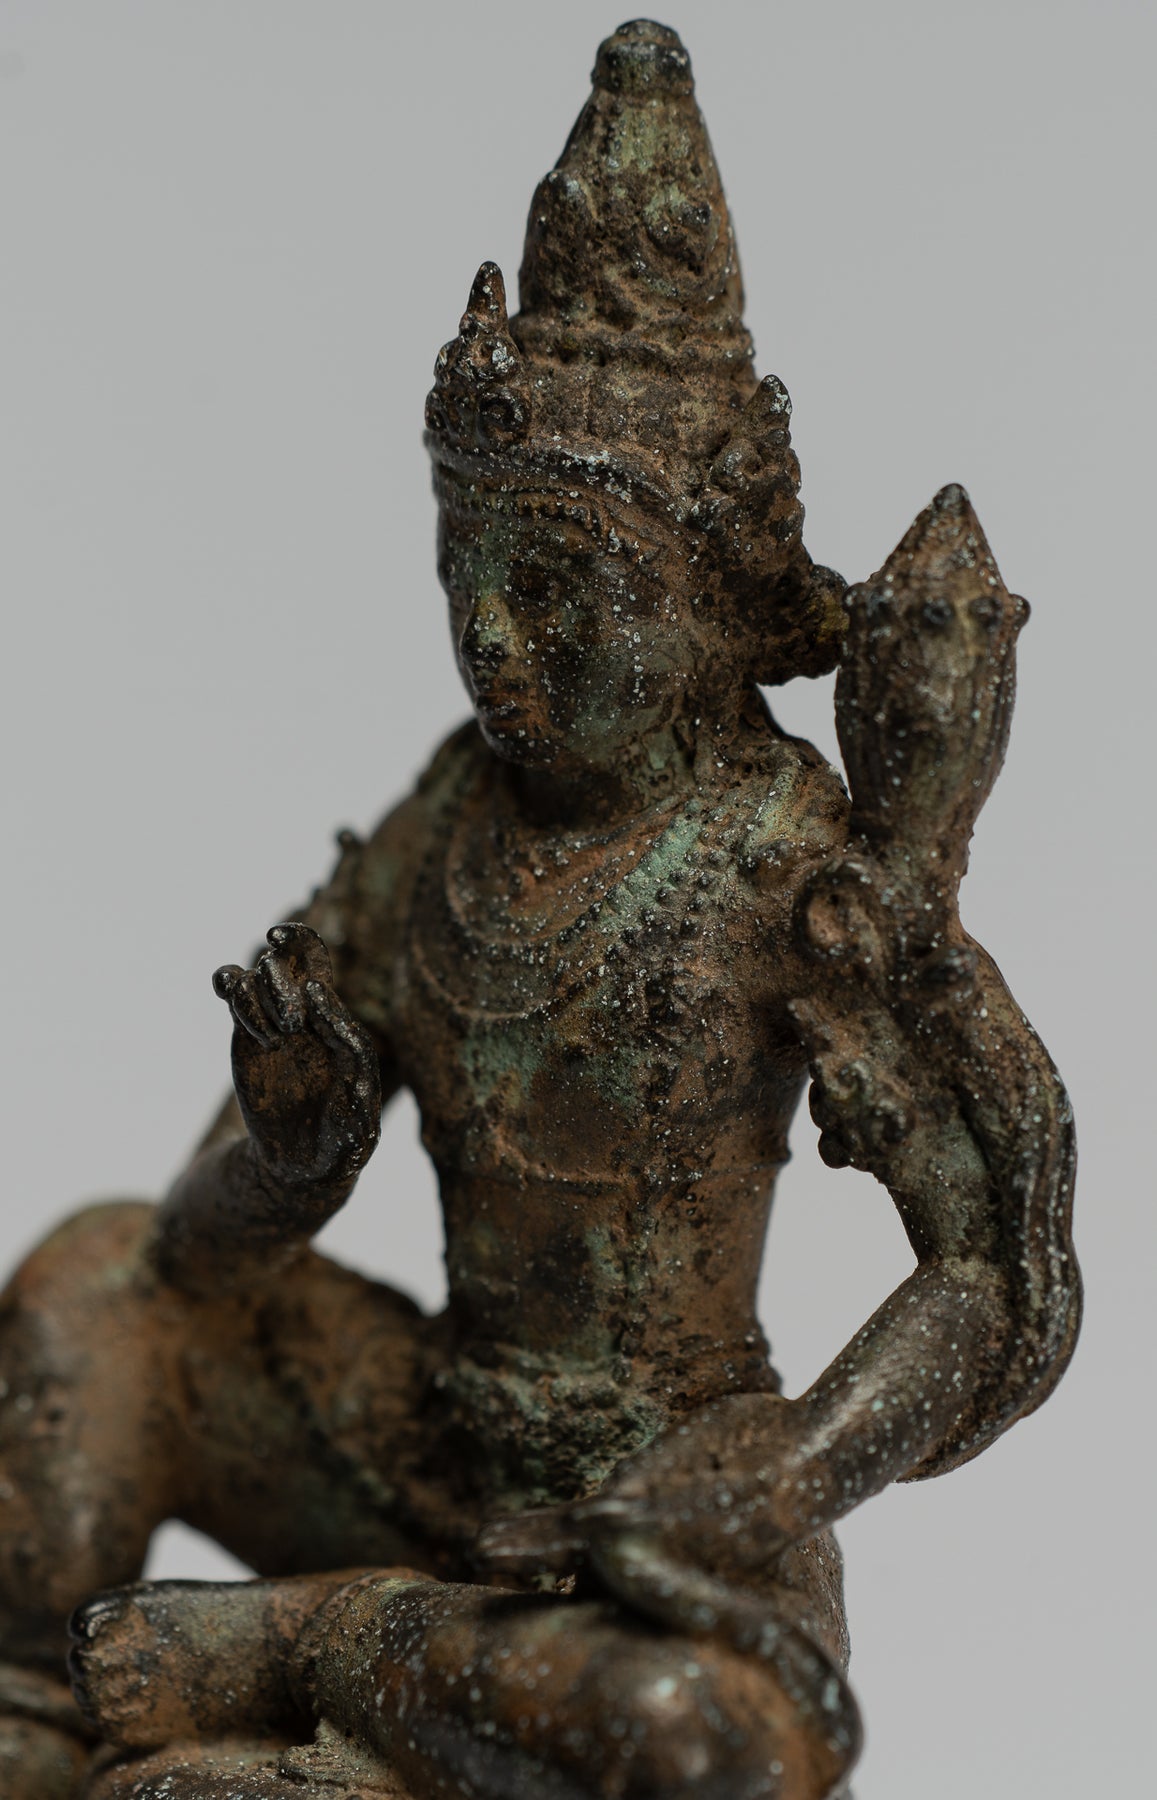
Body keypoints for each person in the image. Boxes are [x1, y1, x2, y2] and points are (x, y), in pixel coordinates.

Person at [0, 23, 1079, 1800]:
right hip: (420, 1433)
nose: (498, 642)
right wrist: (286, 1156)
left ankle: (302, 1654)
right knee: (90, 1282)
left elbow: (986, 1270)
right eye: (470, 577)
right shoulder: (445, 815)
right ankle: (67, 1726)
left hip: (655, 1511)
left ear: (713, 596)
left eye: (565, 586)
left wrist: (794, 1467)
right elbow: (192, 1265)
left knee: (696, 1744)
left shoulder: (784, 856)